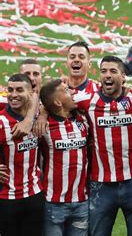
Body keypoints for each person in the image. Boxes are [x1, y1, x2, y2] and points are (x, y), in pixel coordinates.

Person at [73, 56, 132, 236]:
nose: (107, 75)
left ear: (123, 76)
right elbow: (53, 101)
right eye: (104, 71)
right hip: (101, 185)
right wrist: (42, 114)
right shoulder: (86, 100)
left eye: (113, 71)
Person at [39, 79, 89, 236]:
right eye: (66, 90)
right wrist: (42, 113)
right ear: (58, 102)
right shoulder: (43, 126)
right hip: (53, 203)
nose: (72, 92)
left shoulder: (84, 119)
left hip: (81, 201)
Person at [0, 74, 43, 236]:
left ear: (31, 93)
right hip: (6, 199)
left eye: (19, 90)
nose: (14, 94)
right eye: (10, 90)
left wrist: (39, 114)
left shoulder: (40, 117)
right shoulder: (2, 122)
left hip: (35, 195)